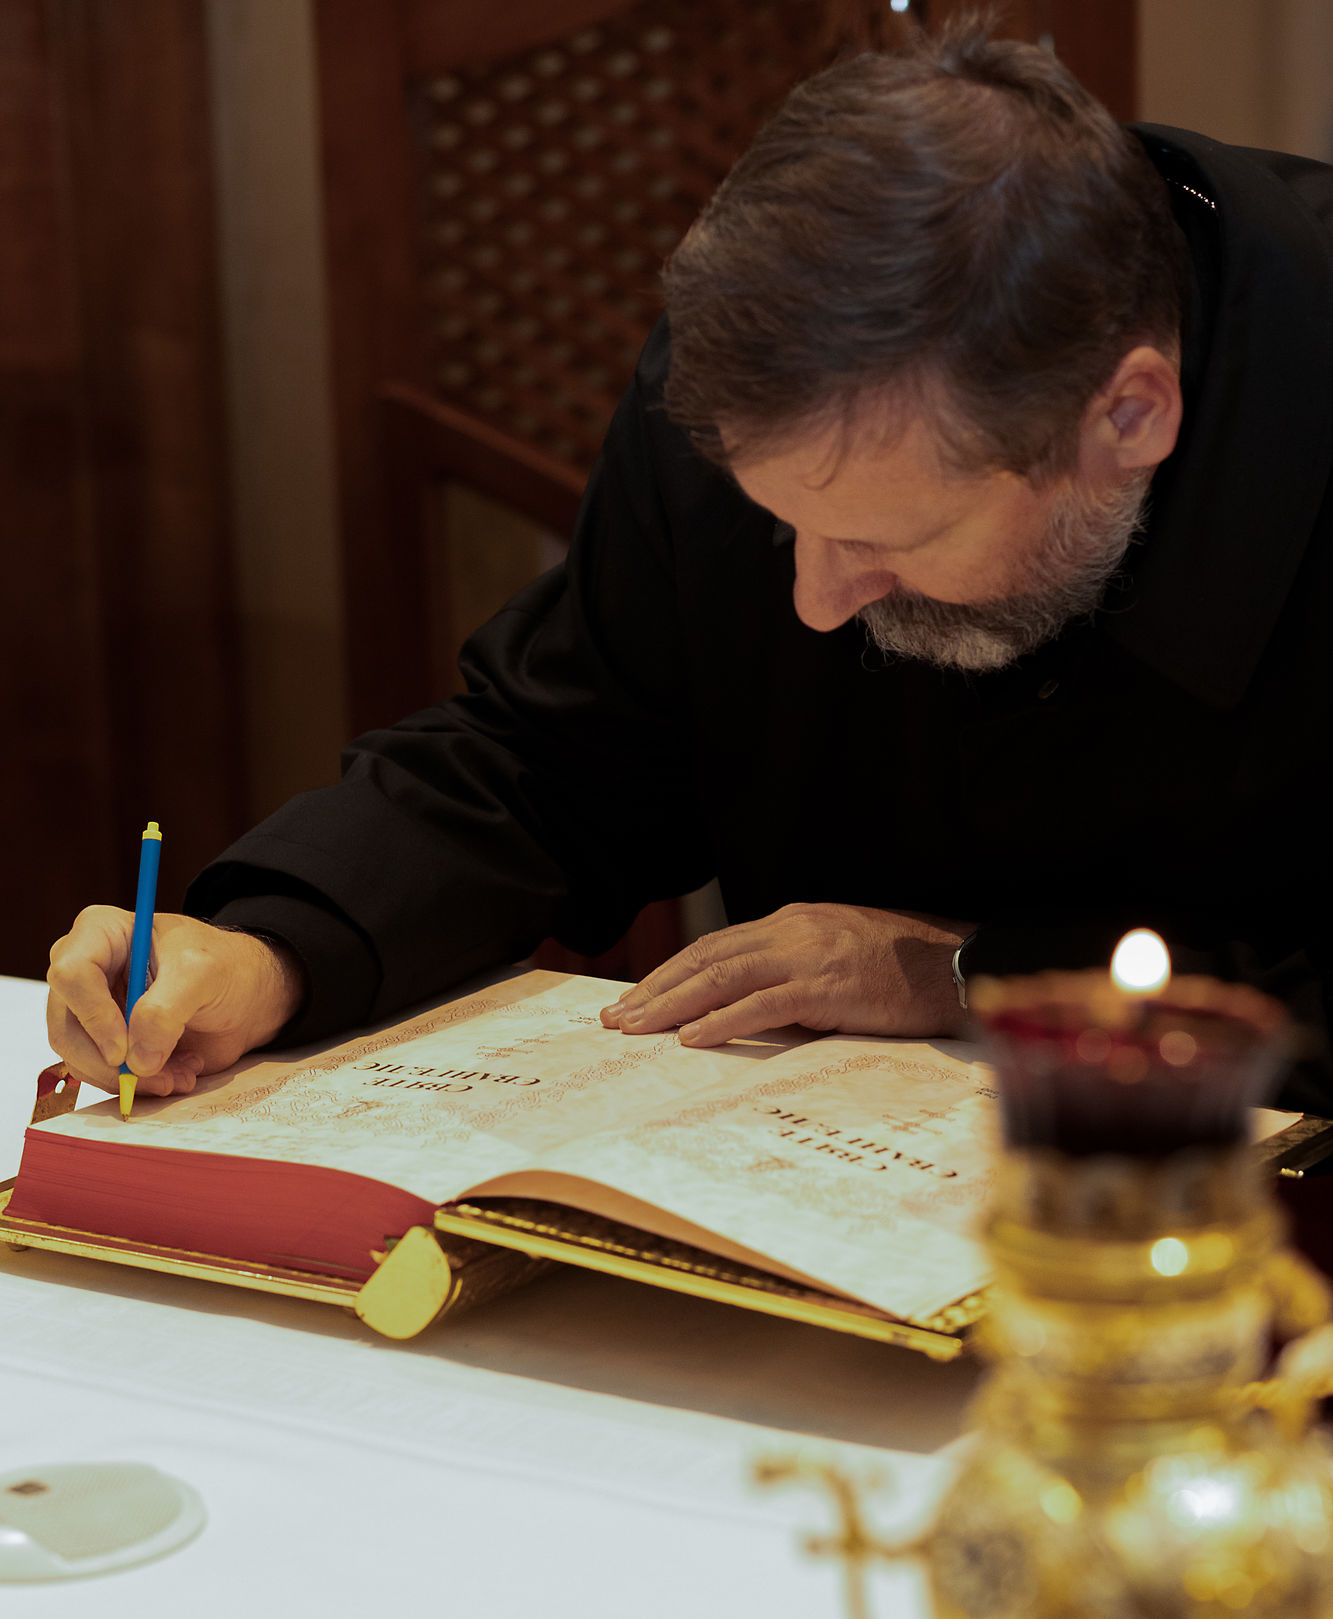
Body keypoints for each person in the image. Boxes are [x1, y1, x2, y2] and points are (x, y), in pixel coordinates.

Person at [46, 19, 1333, 1112]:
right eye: (783, 527)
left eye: (883, 541)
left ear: (1128, 417)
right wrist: (274, 945)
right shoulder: (766, 393)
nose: (813, 601)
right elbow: (554, 755)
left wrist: (980, 972)